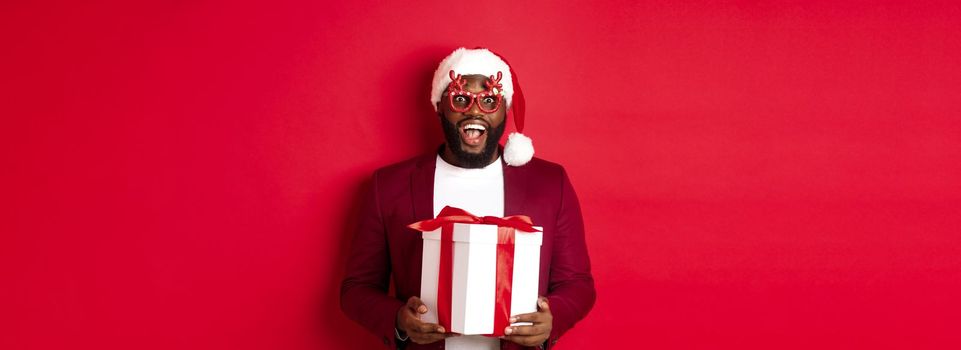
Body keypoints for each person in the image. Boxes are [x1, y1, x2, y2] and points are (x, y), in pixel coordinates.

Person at [340, 47, 595, 350]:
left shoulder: (550, 183)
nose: (474, 111)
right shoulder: (389, 186)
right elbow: (357, 289)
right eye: (460, 99)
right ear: (439, 106)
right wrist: (398, 320)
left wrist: (552, 320)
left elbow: (578, 285)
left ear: (506, 110)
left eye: (489, 100)